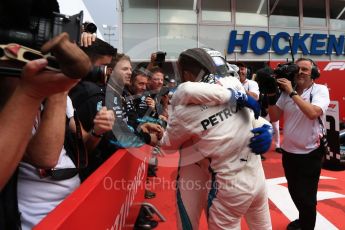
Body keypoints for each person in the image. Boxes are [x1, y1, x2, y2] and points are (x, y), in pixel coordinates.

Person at [159, 48, 272, 230]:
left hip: (220, 178)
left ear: (186, 73)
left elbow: (167, 144)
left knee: (189, 221)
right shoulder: (233, 84)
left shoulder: (185, 107)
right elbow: (252, 116)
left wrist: (152, 134)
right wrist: (267, 127)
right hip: (251, 173)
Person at [267, 58, 330, 230]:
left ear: (314, 73)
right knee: (294, 192)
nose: (300, 72)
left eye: (305, 69)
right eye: (298, 69)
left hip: (311, 153)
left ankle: (307, 226)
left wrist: (292, 93)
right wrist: (272, 95)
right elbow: (274, 117)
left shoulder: (320, 90)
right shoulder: (287, 93)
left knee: (307, 198)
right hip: (289, 153)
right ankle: (303, 220)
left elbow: (312, 113)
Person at [0, 59, 79, 190]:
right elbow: (46, 157)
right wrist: (60, 88)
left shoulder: (44, 96)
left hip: (72, 190)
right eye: (20, 63)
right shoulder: (14, 105)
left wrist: (96, 132)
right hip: (41, 207)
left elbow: (78, 132)